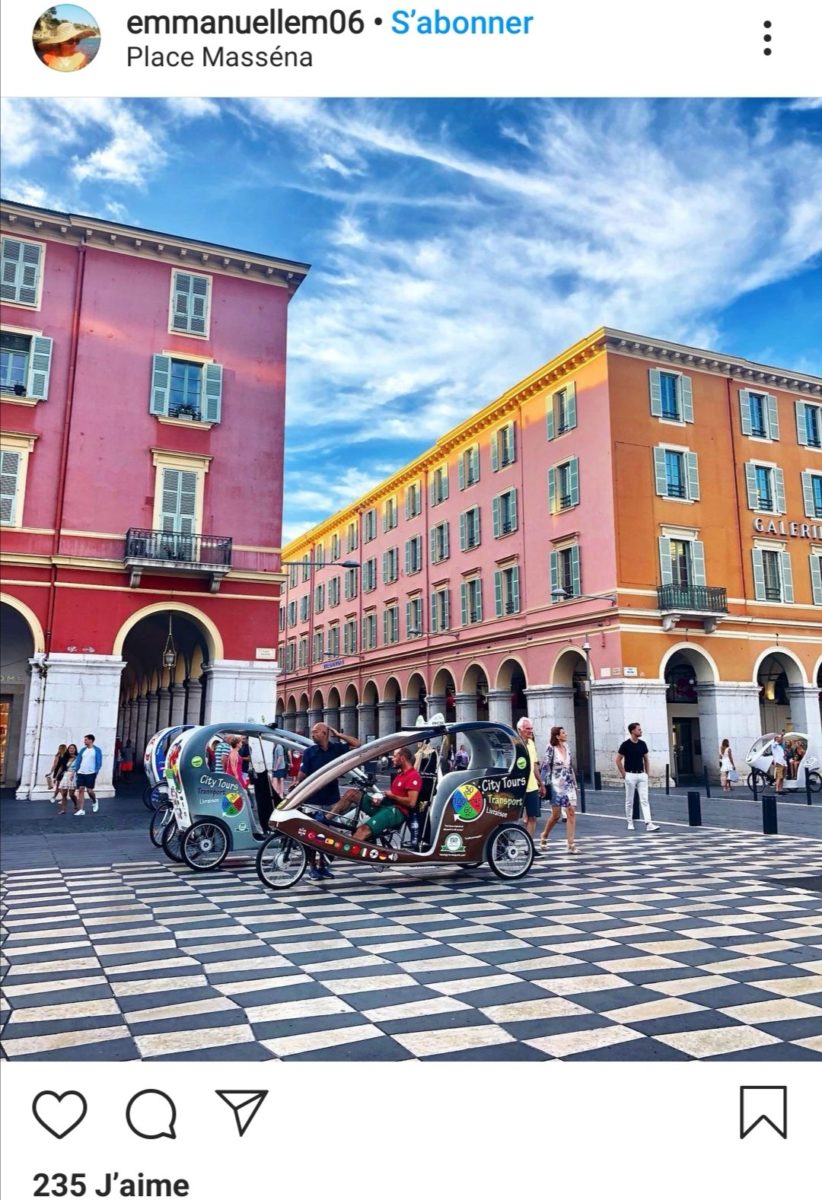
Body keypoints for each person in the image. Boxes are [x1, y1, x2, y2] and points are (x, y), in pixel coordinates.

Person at [297, 722, 361, 879]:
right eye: (312, 732)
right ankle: (312, 866)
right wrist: (298, 786)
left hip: (331, 799)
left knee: (328, 835)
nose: (313, 734)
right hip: (313, 799)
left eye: (316, 732)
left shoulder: (337, 749)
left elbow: (358, 744)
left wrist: (339, 735)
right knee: (311, 835)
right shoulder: (309, 752)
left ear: (325, 733)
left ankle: (322, 866)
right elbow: (302, 775)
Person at [354, 746, 422, 846]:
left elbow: (412, 803)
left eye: (394, 756)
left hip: (396, 812)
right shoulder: (400, 775)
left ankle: (339, 852)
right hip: (386, 806)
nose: (392, 759)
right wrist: (380, 799)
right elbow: (393, 795)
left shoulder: (413, 776)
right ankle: (326, 819)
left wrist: (393, 796)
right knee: (353, 794)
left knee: (363, 830)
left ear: (402, 758)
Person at [538, 726, 579, 853]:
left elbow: (570, 766)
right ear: (557, 736)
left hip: (568, 782)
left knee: (571, 811)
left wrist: (575, 782)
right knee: (556, 815)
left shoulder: (567, 747)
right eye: (563, 732)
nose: (565, 734)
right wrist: (542, 784)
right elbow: (545, 766)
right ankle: (544, 835)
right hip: (557, 783)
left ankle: (570, 844)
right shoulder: (551, 748)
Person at [615, 722, 660, 832]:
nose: (641, 731)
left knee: (644, 800)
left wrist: (647, 773)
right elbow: (618, 759)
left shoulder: (642, 744)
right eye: (638, 729)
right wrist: (624, 774)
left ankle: (649, 823)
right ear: (632, 731)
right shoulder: (625, 745)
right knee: (629, 800)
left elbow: (646, 759)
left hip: (641, 775)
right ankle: (630, 822)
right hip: (630, 774)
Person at [516, 716, 546, 848]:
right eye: (527, 729)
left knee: (532, 817)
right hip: (517, 786)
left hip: (532, 786)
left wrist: (541, 783)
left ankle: (529, 846)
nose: (530, 731)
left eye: (531, 729)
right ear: (519, 730)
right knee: (513, 818)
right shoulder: (514, 744)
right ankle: (508, 843)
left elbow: (534, 766)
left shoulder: (532, 744)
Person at [73, 734, 103, 816]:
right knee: (81, 789)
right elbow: (78, 760)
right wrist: (75, 771)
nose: (84, 741)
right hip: (81, 772)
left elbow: (99, 761)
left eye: (86, 739)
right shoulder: (83, 750)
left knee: (90, 790)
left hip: (91, 773)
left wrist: (96, 770)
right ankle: (81, 809)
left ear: (91, 740)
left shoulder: (97, 750)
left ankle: (94, 800)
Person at [57, 745, 78, 815]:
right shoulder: (65, 758)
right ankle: (63, 809)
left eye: (73, 748)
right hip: (66, 775)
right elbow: (61, 767)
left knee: (71, 794)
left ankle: (76, 804)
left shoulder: (78, 758)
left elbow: (78, 768)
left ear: (75, 750)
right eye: (70, 748)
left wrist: (74, 773)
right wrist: (57, 776)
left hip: (73, 775)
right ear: (68, 749)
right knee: (64, 794)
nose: (71, 750)